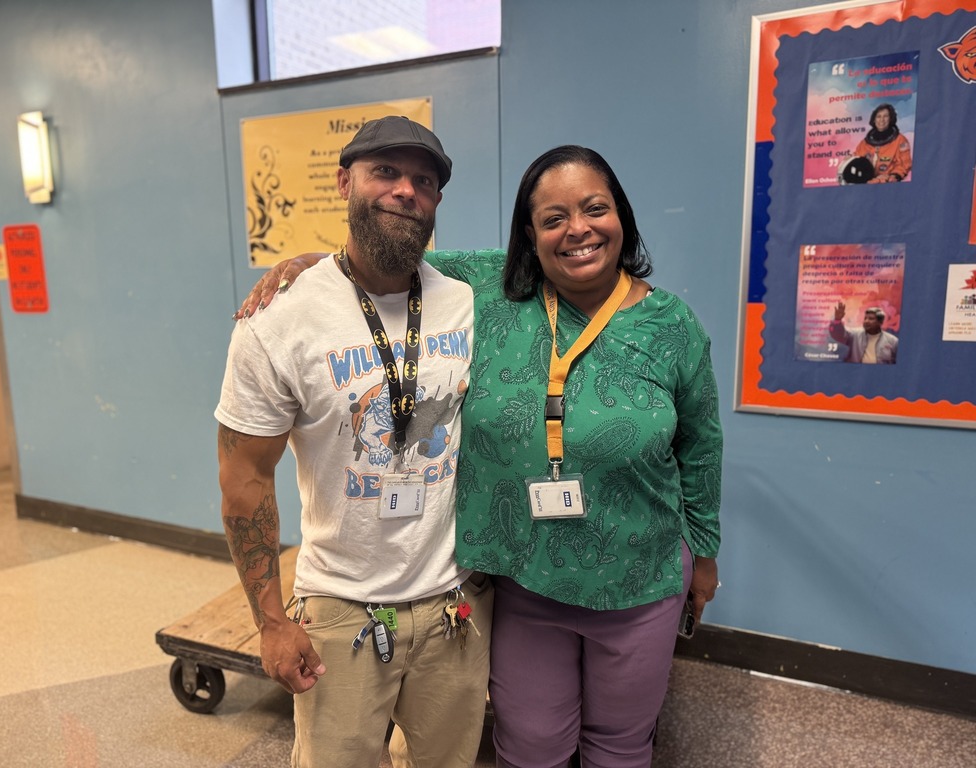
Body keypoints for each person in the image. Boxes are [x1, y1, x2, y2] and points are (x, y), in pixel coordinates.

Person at [241, 145, 723, 768]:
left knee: (620, 745)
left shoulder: (672, 326)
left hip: (641, 577)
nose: (577, 230)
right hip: (525, 578)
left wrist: (704, 559)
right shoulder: (497, 291)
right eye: (553, 219)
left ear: (621, 218)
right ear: (531, 235)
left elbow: (702, 448)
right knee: (530, 744)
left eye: (594, 209)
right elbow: (383, 258)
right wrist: (310, 265)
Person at [216, 115, 492, 768]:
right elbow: (244, 480)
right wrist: (271, 624)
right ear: (345, 182)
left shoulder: (470, 300)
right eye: (385, 172)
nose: (405, 190)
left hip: (454, 605)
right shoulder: (278, 321)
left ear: (437, 201)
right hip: (340, 613)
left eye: (423, 180)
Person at [852, 103, 912, 183]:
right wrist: (849, 160)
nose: (882, 120)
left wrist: (894, 176)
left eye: (885, 116)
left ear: (891, 119)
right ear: (874, 119)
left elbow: (905, 164)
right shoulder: (865, 143)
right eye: (878, 116)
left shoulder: (900, 140)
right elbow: (856, 159)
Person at [828, 301, 899, 364]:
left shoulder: (893, 341)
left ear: (880, 322)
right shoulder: (855, 334)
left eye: (871, 319)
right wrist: (837, 320)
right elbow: (839, 335)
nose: (866, 321)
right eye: (865, 318)